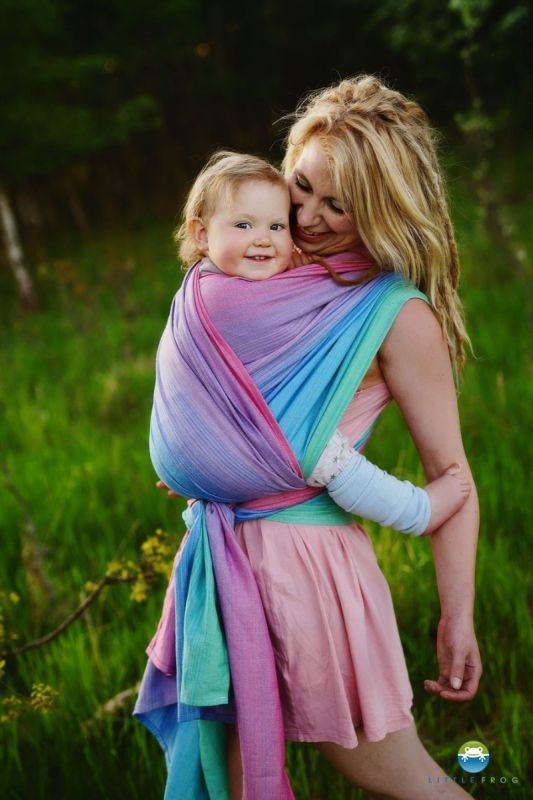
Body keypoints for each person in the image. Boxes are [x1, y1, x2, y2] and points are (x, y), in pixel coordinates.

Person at [135, 76, 481, 800]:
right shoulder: (252, 265)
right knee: (229, 781)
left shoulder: (390, 312)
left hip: (309, 572)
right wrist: (211, 462)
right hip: (220, 558)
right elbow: (214, 396)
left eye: (340, 204)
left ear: (381, 207)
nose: (311, 218)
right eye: (302, 188)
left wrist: (456, 618)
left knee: (401, 778)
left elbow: (453, 476)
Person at [177, 148, 471, 537]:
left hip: (226, 455)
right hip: (266, 442)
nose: (263, 240)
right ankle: (415, 512)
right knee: (324, 454)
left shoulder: (211, 282)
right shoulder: (215, 297)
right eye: (244, 226)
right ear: (201, 233)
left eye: (277, 227)